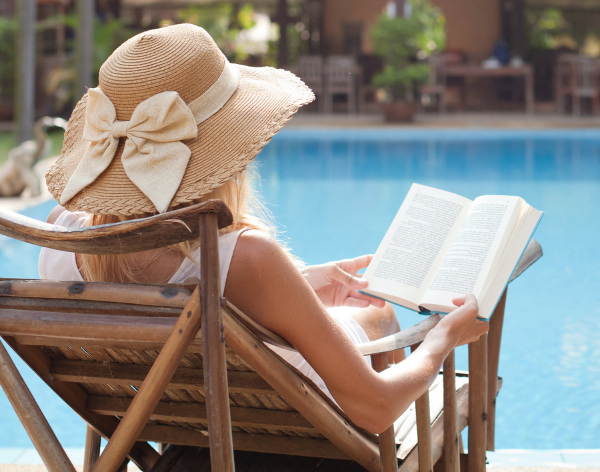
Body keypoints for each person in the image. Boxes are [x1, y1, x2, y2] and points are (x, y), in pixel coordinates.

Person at [41, 23, 487, 436]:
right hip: (294, 428)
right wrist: (441, 340)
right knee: (379, 314)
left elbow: (187, 289)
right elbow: (375, 408)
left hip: (185, 426)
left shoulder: (58, 241)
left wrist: (299, 287)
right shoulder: (246, 256)